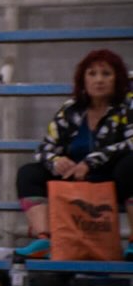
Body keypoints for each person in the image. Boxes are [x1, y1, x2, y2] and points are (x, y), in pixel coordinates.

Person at [14, 49, 133, 261]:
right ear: (83, 80)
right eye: (92, 74)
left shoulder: (127, 105)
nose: (99, 80)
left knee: (131, 165)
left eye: (106, 74)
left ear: (117, 79)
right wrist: (56, 161)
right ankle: (44, 240)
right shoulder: (71, 109)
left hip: (112, 179)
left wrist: (91, 162)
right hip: (75, 179)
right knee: (28, 173)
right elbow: (45, 147)